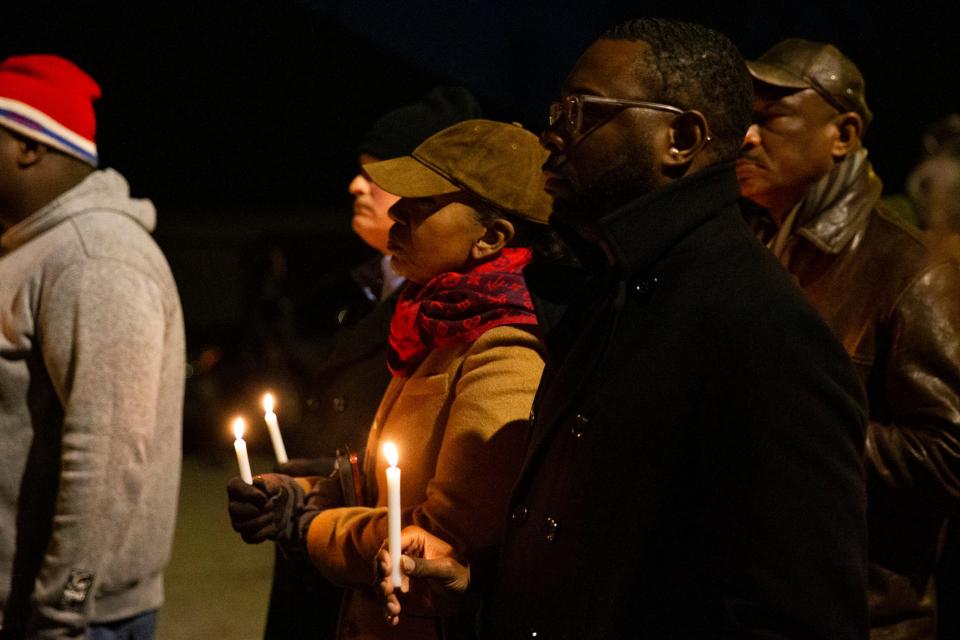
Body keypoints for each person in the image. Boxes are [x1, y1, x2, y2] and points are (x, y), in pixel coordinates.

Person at [378, 19, 870, 639]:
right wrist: (478, 592)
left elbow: (798, 617)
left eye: (582, 112)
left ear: (681, 138)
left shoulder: (763, 331)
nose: (551, 135)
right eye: (557, 109)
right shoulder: (611, 290)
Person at [228, 119, 553, 639]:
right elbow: (389, 489)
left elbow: (442, 538)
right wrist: (305, 493)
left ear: (492, 237)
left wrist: (309, 527)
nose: (397, 212)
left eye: (422, 206)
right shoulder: (438, 323)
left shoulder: (504, 349)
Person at [736, 38, 960, 639]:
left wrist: (796, 434)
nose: (747, 139)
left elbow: (948, 457)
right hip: (762, 605)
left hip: (859, 619)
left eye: (769, 119)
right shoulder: (749, 245)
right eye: (742, 120)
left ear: (844, 134)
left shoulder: (909, 268)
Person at [261, 86, 483, 640]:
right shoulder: (360, 291)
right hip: (332, 573)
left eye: (382, 175)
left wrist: (315, 513)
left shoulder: (463, 318)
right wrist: (309, 486)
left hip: (384, 586)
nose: (357, 186)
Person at [0, 55, 185, 639]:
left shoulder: (93, 256)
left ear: (29, 147)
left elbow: (106, 457)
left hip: (69, 621)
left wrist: (60, 612)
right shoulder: (38, 246)